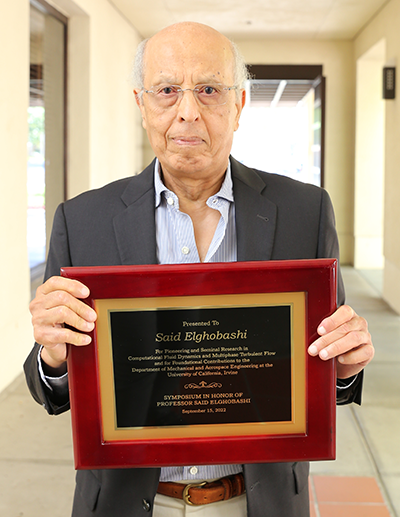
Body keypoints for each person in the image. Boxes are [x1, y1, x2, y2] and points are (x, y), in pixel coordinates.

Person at [24, 22, 374, 517]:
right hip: (129, 502)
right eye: (167, 91)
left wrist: (343, 366)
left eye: (209, 90)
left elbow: (328, 371)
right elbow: (49, 392)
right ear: (141, 104)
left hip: (257, 501)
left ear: (239, 105)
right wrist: (54, 356)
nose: (188, 110)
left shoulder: (305, 211)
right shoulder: (83, 221)